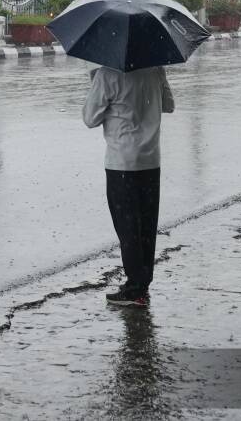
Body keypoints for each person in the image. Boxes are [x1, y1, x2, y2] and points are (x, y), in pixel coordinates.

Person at [83, 64, 175, 307]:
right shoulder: (156, 69)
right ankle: (142, 283)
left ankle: (135, 289)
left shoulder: (107, 74)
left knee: (128, 228)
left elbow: (90, 118)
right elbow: (168, 105)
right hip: (151, 160)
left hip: (122, 163)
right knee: (146, 226)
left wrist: (95, 83)